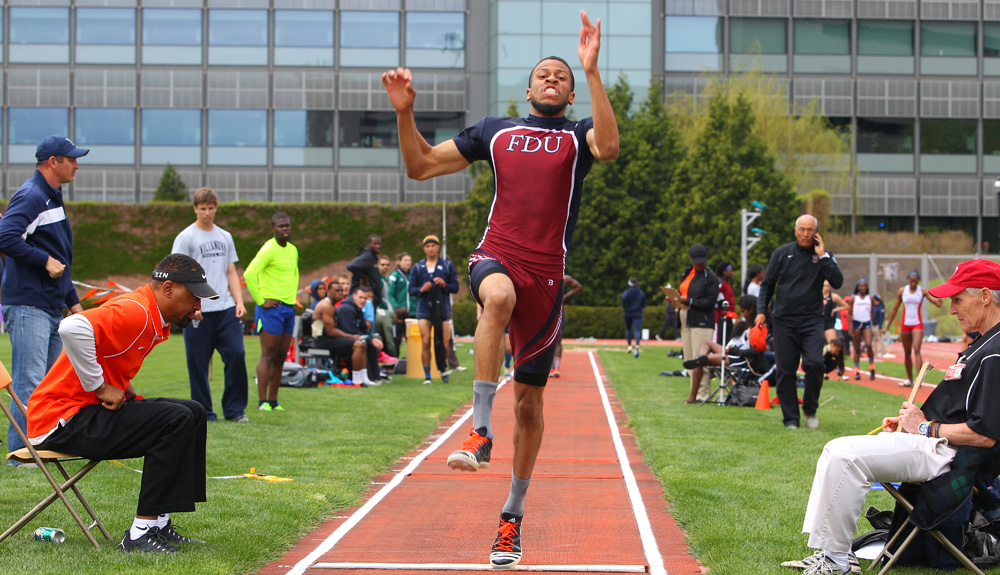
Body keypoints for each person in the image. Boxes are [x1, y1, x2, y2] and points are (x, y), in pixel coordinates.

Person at [382, 10, 619, 567]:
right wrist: (406, 112)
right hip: (499, 254)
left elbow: (609, 147)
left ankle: (511, 519)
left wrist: (591, 71)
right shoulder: (495, 130)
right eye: (546, 73)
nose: (554, 78)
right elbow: (419, 166)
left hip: (548, 274)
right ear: (529, 87)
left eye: (562, 74)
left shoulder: (577, 136)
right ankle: (479, 431)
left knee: (532, 406)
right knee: (497, 297)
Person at [782, 258, 1000, 575]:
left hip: (949, 456)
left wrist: (924, 427)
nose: (951, 309)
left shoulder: (995, 351)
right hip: (935, 444)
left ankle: (839, 560)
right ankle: (831, 554)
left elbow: (985, 434)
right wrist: (914, 424)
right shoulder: (983, 345)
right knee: (834, 448)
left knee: (846, 456)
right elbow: (958, 410)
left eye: (957, 299)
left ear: (984, 295)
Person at [27, 254, 211, 553]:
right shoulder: (136, 310)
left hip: (82, 413)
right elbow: (71, 328)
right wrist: (99, 387)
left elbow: (107, 354)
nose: (197, 307)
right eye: (193, 297)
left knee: (193, 412)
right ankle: (140, 533)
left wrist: (121, 386)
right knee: (174, 419)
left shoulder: (149, 313)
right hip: (60, 421)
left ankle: (159, 525)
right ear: (168, 289)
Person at [0, 135, 88, 457]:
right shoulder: (33, 195)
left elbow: (59, 255)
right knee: (29, 384)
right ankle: (21, 456)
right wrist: (43, 261)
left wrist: (73, 302)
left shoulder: (52, 196)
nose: (77, 164)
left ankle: (41, 449)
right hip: (28, 305)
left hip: (49, 305)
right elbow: (5, 236)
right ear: (53, 162)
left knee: (49, 388)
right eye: (71, 159)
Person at [756, 214, 843, 429]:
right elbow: (767, 285)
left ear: (817, 231)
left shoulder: (824, 256)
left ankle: (810, 409)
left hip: (812, 321)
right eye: (802, 229)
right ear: (796, 231)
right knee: (786, 370)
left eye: (810, 230)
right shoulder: (782, 253)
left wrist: (823, 256)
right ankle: (791, 419)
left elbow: (837, 282)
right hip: (784, 322)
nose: (806, 234)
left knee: (815, 363)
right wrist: (761, 311)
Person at [171, 187, 249, 423]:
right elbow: (177, 274)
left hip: (225, 308)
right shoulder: (186, 237)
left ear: (216, 208)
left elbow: (231, 271)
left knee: (237, 353)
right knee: (198, 364)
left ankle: (235, 410)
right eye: (203, 208)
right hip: (199, 312)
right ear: (195, 209)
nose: (207, 212)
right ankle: (204, 412)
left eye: (211, 208)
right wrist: (190, 306)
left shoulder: (225, 236)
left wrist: (239, 301)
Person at [244, 212, 299, 412]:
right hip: (271, 309)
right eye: (280, 226)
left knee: (281, 356)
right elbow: (249, 274)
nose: (285, 229)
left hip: (288, 309)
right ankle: (262, 402)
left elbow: (294, 273)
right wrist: (260, 300)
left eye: (287, 225)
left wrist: (293, 298)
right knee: (268, 355)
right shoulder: (269, 249)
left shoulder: (293, 250)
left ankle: (274, 401)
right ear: (273, 229)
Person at [409, 235, 460, 384]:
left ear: (438, 247)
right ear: (424, 248)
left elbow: (455, 287)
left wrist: (445, 284)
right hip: (424, 307)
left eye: (433, 245)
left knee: (444, 343)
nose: (431, 248)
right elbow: (411, 289)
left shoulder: (447, 266)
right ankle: (427, 375)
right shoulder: (418, 267)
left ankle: (443, 368)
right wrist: (421, 288)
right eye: (427, 246)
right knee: (425, 341)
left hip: (442, 308)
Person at [884, 269, 943, 388]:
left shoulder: (922, 291)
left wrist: (939, 301)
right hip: (905, 324)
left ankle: (919, 379)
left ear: (918, 281)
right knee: (907, 352)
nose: (914, 284)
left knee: (916, 348)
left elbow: (936, 303)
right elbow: (895, 308)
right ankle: (910, 379)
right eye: (911, 281)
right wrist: (887, 326)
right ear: (908, 280)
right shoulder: (902, 291)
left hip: (917, 323)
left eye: (916, 281)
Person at [679, 244, 720, 404]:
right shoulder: (687, 273)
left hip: (701, 321)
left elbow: (710, 301)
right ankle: (693, 393)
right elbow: (684, 292)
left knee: (700, 358)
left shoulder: (709, 277)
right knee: (689, 357)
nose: (699, 265)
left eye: (702, 262)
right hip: (686, 317)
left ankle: (702, 394)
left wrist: (688, 301)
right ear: (690, 259)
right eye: (696, 262)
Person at [312, 281, 371, 386]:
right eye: (337, 291)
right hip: (321, 340)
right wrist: (351, 336)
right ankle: (356, 380)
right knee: (358, 344)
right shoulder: (326, 306)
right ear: (329, 291)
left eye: (341, 291)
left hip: (329, 338)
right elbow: (330, 331)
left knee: (363, 342)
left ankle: (364, 378)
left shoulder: (333, 306)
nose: (340, 293)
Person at [336, 285, 384, 385]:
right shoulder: (346, 309)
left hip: (352, 337)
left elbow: (364, 329)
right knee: (361, 343)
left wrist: (372, 339)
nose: (363, 300)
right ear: (354, 296)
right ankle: (356, 378)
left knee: (369, 344)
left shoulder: (358, 309)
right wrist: (368, 339)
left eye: (365, 298)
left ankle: (368, 377)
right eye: (360, 297)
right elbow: (350, 331)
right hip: (340, 339)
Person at [549, 274, 582, 378]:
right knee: (546, 339)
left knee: (558, 339)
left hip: (558, 309)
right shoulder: (542, 275)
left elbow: (579, 287)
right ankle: (549, 368)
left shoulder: (564, 278)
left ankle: (556, 368)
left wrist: (565, 296)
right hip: (545, 309)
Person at [388, 252, 416, 354]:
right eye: (405, 260)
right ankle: (394, 362)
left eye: (409, 260)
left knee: (413, 338)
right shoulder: (395, 276)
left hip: (412, 312)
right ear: (399, 262)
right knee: (397, 338)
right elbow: (390, 294)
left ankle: (414, 361)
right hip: (400, 313)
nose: (408, 262)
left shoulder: (414, 274)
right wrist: (396, 308)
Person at [849, 279, 876, 381]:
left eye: (865, 286)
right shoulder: (853, 298)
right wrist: (850, 327)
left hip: (867, 323)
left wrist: (872, 325)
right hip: (856, 323)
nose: (863, 288)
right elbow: (849, 313)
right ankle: (856, 371)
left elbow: (872, 312)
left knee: (869, 345)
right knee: (856, 348)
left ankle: (872, 368)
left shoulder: (870, 298)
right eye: (861, 286)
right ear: (858, 287)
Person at [822, 280, 849, 381]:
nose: (826, 288)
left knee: (835, 348)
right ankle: (821, 371)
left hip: (829, 323)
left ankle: (840, 373)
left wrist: (835, 310)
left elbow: (846, 306)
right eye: (824, 286)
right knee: (819, 348)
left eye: (828, 286)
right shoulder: (816, 295)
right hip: (819, 323)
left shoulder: (833, 297)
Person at [348, 234, 384, 309]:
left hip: (371, 298)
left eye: (379, 243)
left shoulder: (372, 256)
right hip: (365, 299)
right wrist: (365, 277)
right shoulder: (368, 256)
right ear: (368, 244)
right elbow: (351, 266)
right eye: (375, 244)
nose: (378, 246)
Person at [622, 277, 646, 358]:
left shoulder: (627, 292)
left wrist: (625, 307)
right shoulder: (641, 292)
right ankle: (637, 346)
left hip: (628, 313)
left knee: (628, 329)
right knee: (637, 330)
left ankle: (629, 345)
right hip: (638, 313)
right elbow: (643, 303)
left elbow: (623, 298)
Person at [715, 261, 736, 344]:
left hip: (728, 317)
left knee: (727, 342)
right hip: (721, 318)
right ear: (724, 272)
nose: (732, 273)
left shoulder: (726, 284)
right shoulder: (720, 283)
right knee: (720, 342)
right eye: (730, 271)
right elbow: (714, 296)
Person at [871, 293, 887, 358]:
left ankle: (883, 351)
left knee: (880, 338)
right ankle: (874, 352)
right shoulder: (873, 307)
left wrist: (880, 327)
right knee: (874, 339)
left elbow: (881, 318)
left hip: (878, 325)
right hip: (873, 325)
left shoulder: (880, 307)